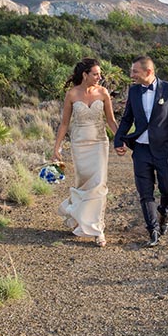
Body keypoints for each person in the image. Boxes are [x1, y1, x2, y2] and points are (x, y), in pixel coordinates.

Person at [114, 56, 168, 247]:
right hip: (140, 150)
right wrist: (118, 139)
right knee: (145, 193)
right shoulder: (134, 90)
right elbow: (127, 118)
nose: (131, 75)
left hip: (164, 150)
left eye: (135, 72)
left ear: (148, 72)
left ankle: (163, 212)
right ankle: (152, 230)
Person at [53, 58, 118, 247]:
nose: (100, 77)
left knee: (99, 185)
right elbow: (64, 123)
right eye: (96, 74)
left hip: (99, 144)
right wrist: (56, 148)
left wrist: (122, 140)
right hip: (79, 145)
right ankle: (77, 216)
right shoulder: (72, 94)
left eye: (99, 74)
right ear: (85, 75)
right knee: (83, 186)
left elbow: (111, 121)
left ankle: (98, 229)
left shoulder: (103, 93)